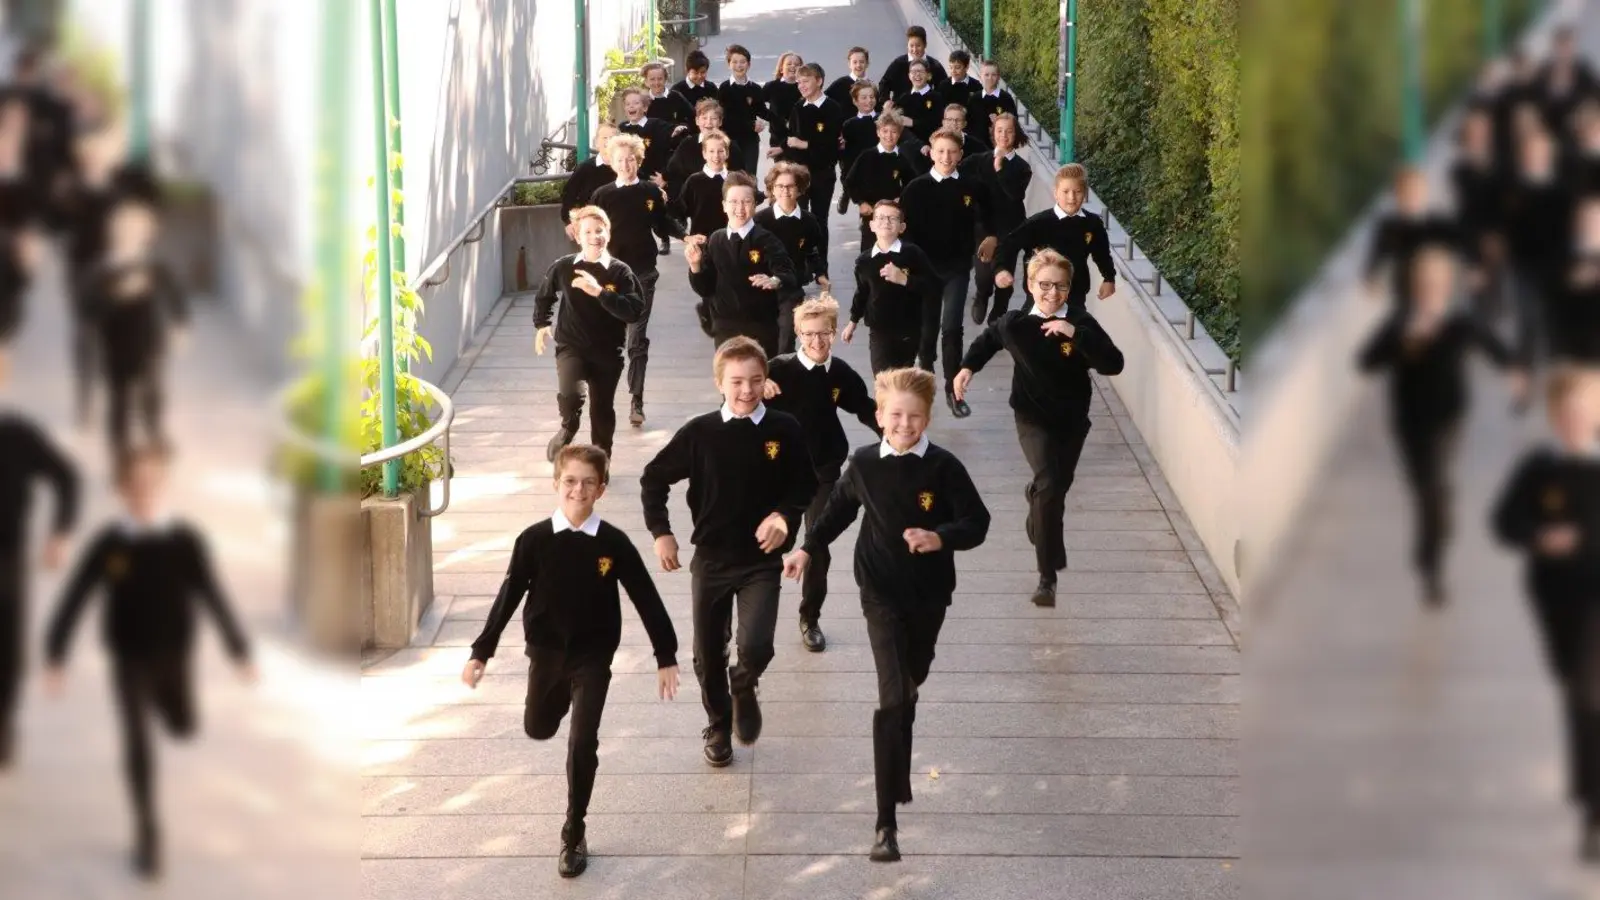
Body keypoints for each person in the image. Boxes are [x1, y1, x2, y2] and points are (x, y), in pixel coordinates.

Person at [782, 366, 990, 863]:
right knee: (892, 695)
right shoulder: (863, 464)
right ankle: (885, 824)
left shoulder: (943, 468)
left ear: (927, 418)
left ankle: (900, 730)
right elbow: (834, 512)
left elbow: (977, 522)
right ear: (879, 416)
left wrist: (940, 537)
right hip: (878, 592)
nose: (904, 424)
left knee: (909, 685)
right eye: (895, 415)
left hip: (930, 596)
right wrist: (807, 550)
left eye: (914, 417)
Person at [463, 444, 680, 879]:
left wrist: (665, 654)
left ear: (601, 488)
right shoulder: (535, 539)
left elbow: (645, 597)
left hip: (593, 655)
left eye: (587, 482)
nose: (578, 489)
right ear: (555, 484)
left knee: (583, 743)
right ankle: (556, 701)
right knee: (538, 725)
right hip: (546, 652)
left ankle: (573, 830)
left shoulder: (613, 543)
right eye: (570, 481)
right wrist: (481, 651)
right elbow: (508, 596)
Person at [44, 446, 255, 880]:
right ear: (122, 490)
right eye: (133, 485)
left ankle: (175, 711)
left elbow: (212, 593)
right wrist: (56, 653)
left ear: (161, 488)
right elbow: (76, 595)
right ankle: (147, 834)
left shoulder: (184, 541)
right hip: (128, 658)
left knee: (181, 723)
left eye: (150, 485)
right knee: (137, 740)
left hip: (174, 654)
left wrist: (238, 649)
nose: (142, 493)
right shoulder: (109, 544)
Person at [640, 337, 816, 768]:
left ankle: (745, 683)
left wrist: (784, 517)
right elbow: (653, 478)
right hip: (712, 560)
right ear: (719, 382)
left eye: (757, 380)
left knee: (756, 647)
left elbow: (804, 486)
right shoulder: (700, 432)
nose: (747, 390)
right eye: (737, 381)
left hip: (760, 561)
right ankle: (719, 725)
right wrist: (661, 532)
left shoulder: (784, 428)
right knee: (706, 655)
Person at [953, 249, 1124, 606]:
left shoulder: (1080, 320)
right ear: (1031, 285)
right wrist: (967, 368)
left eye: (1060, 287)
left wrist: (1074, 333)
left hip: (1073, 421)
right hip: (1031, 418)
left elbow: (1114, 363)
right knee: (1049, 485)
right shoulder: (1016, 323)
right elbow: (988, 340)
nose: (1052, 293)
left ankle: (1036, 503)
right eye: (1044, 285)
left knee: (1053, 491)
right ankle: (1047, 577)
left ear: (1069, 287)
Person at [1359, 244, 1521, 606]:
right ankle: (1430, 553)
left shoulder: (1459, 323)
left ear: (1447, 285)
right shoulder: (1400, 322)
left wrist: (1514, 372)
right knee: (1429, 492)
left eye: (1438, 282)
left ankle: (1430, 560)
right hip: (1410, 423)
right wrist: (1403, 341)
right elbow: (1367, 361)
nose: (1432, 289)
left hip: (1449, 419)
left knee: (1433, 490)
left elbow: (1494, 347)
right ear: (1415, 286)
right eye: (1425, 282)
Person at [1490, 365, 1600, 863]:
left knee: (1586, 698)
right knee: (1576, 693)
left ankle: (1593, 811)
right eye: (1570, 409)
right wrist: (1540, 537)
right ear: (1557, 414)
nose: (1579, 417)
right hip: (1557, 603)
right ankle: (1587, 793)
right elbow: (1504, 521)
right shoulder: (1541, 467)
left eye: (1588, 407)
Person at [763, 297, 879, 652]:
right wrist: (757, 390)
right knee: (772, 543)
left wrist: (898, 437)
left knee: (817, 544)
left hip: (824, 469)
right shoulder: (776, 370)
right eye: (809, 334)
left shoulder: (839, 374)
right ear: (798, 333)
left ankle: (809, 617)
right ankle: (757, 612)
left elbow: (866, 409)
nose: (817, 341)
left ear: (833, 332)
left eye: (824, 333)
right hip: (781, 472)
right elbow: (734, 396)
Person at [0, 351, 78, 769]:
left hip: (8, 557)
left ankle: (4, 722)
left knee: (9, 650)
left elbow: (68, 477)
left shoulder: (19, 434)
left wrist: (61, 532)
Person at [77, 194, 188, 457]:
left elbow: (175, 297)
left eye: (137, 232)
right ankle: (120, 448)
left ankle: (155, 432)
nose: (130, 237)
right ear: (113, 233)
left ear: (148, 234)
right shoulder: (101, 270)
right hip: (116, 344)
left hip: (150, 341)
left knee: (154, 392)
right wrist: (117, 296)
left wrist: (181, 325)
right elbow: (88, 309)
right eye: (124, 231)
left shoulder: (156, 266)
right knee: (121, 398)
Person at [534, 205, 646, 462]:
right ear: (577, 234)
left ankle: (601, 459)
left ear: (608, 232)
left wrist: (600, 292)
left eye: (600, 230)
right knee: (570, 394)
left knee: (602, 410)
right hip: (571, 346)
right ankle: (567, 428)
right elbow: (545, 295)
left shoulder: (620, 272)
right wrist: (542, 324)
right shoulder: (563, 267)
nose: (595, 236)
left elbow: (634, 311)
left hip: (607, 352)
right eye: (588, 231)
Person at [590, 133, 686, 428]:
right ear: (612, 163)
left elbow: (662, 223)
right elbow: (591, 233)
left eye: (631, 159)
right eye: (620, 160)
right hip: (610, 276)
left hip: (642, 274)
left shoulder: (650, 192)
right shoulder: (603, 195)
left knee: (636, 339)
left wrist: (686, 235)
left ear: (638, 160)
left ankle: (636, 400)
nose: (626, 164)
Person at [898, 129, 997, 416]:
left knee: (951, 327)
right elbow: (904, 232)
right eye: (940, 151)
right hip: (924, 270)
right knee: (927, 331)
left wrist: (990, 236)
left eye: (952, 152)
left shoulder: (972, 186)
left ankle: (953, 390)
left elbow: (988, 217)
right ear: (931, 151)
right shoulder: (915, 188)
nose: (946, 157)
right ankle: (925, 383)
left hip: (956, 267)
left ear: (960, 155)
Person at [684, 172, 797, 356]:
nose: (740, 208)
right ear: (724, 206)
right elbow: (705, 289)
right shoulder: (716, 240)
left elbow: (788, 273)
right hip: (725, 327)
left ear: (754, 205)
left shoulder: (766, 239)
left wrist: (775, 280)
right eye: (733, 202)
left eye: (746, 201)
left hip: (761, 326)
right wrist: (695, 266)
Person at [994, 163, 1117, 318]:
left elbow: (1102, 253)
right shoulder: (1038, 223)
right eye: (1065, 192)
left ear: (1085, 193)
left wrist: (1108, 278)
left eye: (1077, 192)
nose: (1071, 197)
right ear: (1055, 193)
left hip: (1074, 296)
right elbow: (1008, 245)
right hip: (1040, 297)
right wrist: (1001, 269)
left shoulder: (1092, 224)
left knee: (1077, 336)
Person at [843, 200, 939, 373]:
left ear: (902, 227)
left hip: (908, 328)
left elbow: (933, 286)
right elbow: (862, 293)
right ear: (871, 225)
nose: (886, 222)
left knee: (901, 379)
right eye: (880, 217)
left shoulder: (912, 253)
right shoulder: (864, 261)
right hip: (879, 329)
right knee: (882, 379)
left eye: (892, 218)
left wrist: (905, 279)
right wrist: (852, 321)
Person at [963, 113, 1032, 324]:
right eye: (999, 130)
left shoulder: (1022, 167)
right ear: (993, 132)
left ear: (1016, 134)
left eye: (1009, 131)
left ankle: (999, 313)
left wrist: (1000, 169)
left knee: (1006, 272)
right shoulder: (978, 160)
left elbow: (1015, 195)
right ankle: (982, 296)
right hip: (983, 226)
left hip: (1010, 227)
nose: (1004, 135)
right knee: (984, 275)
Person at [755, 162, 828, 351]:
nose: (785, 191)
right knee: (765, 340)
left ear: (799, 189)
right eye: (780, 186)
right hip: (763, 289)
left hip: (792, 287)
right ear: (772, 189)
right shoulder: (761, 220)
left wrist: (820, 273)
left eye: (790, 186)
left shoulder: (809, 221)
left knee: (787, 339)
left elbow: (813, 251)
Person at [774, 63, 845, 218]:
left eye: (806, 81)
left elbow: (832, 144)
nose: (801, 86)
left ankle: (820, 244)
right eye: (799, 82)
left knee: (820, 218)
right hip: (799, 172)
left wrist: (805, 144)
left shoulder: (832, 108)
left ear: (819, 81)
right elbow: (792, 135)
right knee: (799, 216)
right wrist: (781, 147)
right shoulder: (798, 107)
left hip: (823, 172)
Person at [844, 111, 920, 248]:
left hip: (893, 214)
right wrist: (860, 202)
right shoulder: (867, 156)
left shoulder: (902, 158)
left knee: (893, 251)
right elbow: (850, 181)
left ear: (899, 134)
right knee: (869, 251)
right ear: (878, 132)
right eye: (885, 131)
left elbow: (913, 184)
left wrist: (901, 198)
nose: (889, 136)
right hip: (871, 213)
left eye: (894, 132)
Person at [665, 100, 746, 202]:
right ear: (697, 121)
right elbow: (673, 170)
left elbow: (740, 175)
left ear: (720, 122)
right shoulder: (687, 143)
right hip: (694, 200)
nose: (708, 122)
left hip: (723, 199)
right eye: (704, 118)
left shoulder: (731, 146)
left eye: (713, 118)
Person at [673, 128, 738, 239]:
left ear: (727, 153)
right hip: (702, 239)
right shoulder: (694, 181)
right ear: (704, 154)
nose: (716, 156)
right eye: (711, 151)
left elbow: (751, 198)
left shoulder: (736, 179)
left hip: (730, 240)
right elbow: (680, 209)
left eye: (721, 151)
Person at [559, 123, 620, 239]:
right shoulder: (585, 168)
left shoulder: (624, 167)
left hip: (619, 227)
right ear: (597, 143)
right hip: (591, 229)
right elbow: (569, 194)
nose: (608, 141)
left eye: (612, 138)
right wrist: (568, 221)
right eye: (604, 138)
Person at [717, 44, 769, 176]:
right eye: (734, 62)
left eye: (742, 62)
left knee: (750, 176)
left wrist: (776, 121)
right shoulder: (724, 88)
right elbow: (725, 118)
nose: (739, 65)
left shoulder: (755, 88)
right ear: (729, 64)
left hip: (750, 140)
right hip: (731, 140)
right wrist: (751, 124)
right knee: (733, 176)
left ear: (749, 64)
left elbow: (762, 111)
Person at [879, 26, 950, 107]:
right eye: (911, 46)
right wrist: (886, 101)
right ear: (907, 45)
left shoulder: (934, 65)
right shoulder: (898, 63)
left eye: (918, 45)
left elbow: (944, 87)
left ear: (925, 44)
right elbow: (884, 83)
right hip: (901, 110)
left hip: (927, 110)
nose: (915, 50)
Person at [964, 59, 1018, 146]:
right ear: (980, 75)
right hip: (977, 148)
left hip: (999, 147)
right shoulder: (974, 98)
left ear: (998, 77)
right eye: (986, 75)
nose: (990, 78)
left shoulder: (1005, 98)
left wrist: (999, 121)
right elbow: (967, 123)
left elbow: (1014, 123)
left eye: (993, 75)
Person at [763, 53, 804, 159]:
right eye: (789, 64)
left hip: (800, 137)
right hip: (778, 137)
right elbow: (756, 104)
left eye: (797, 64)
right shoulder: (772, 86)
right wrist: (769, 117)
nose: (793, 66)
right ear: (781, 68)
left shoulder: (804, 87)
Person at [893, 60, 945, 143]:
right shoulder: (903, 97)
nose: (917, 74)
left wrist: (913, 123)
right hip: (906, 145)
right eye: (913, 72)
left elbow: (937, 123)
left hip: (929, 144)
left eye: (921, 71)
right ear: (909, 76)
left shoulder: (936, 97)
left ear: (928, 75)